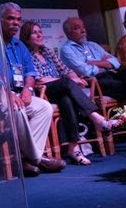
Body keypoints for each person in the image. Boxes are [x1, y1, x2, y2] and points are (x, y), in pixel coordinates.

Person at [20, 21, 119, 165]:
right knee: (66, 84)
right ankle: (98, 119)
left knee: (66, 99)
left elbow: (65, 70)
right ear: (26, 37)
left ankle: (74, 148)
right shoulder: (26, 54)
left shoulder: (47, 51)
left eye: (40, 32)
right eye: (34, 33)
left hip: (61, 89)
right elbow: (39, 79)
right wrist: (70, 81)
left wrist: (75, 79)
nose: (39, 35)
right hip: (44, 90)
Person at [0, 3, 64, 176]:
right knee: (17, 109)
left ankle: (24, 159)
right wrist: (7, 91)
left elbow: (30, 72)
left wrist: (28, 88)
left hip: (20, 92)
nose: (16, 23)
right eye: (10, 18)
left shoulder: (19, 45)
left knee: (44, 107)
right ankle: (38, 158)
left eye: (18, 19)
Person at [60, 17, 126, 101]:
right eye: (77, 28)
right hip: (93, 81)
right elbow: (86, 71)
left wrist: (95, 63)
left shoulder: (92, 45)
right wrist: (105, 64)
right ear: (68, 33)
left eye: (83, 27)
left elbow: (116, 62)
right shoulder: (66, 50)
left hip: (111, 75)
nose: (83, 30)